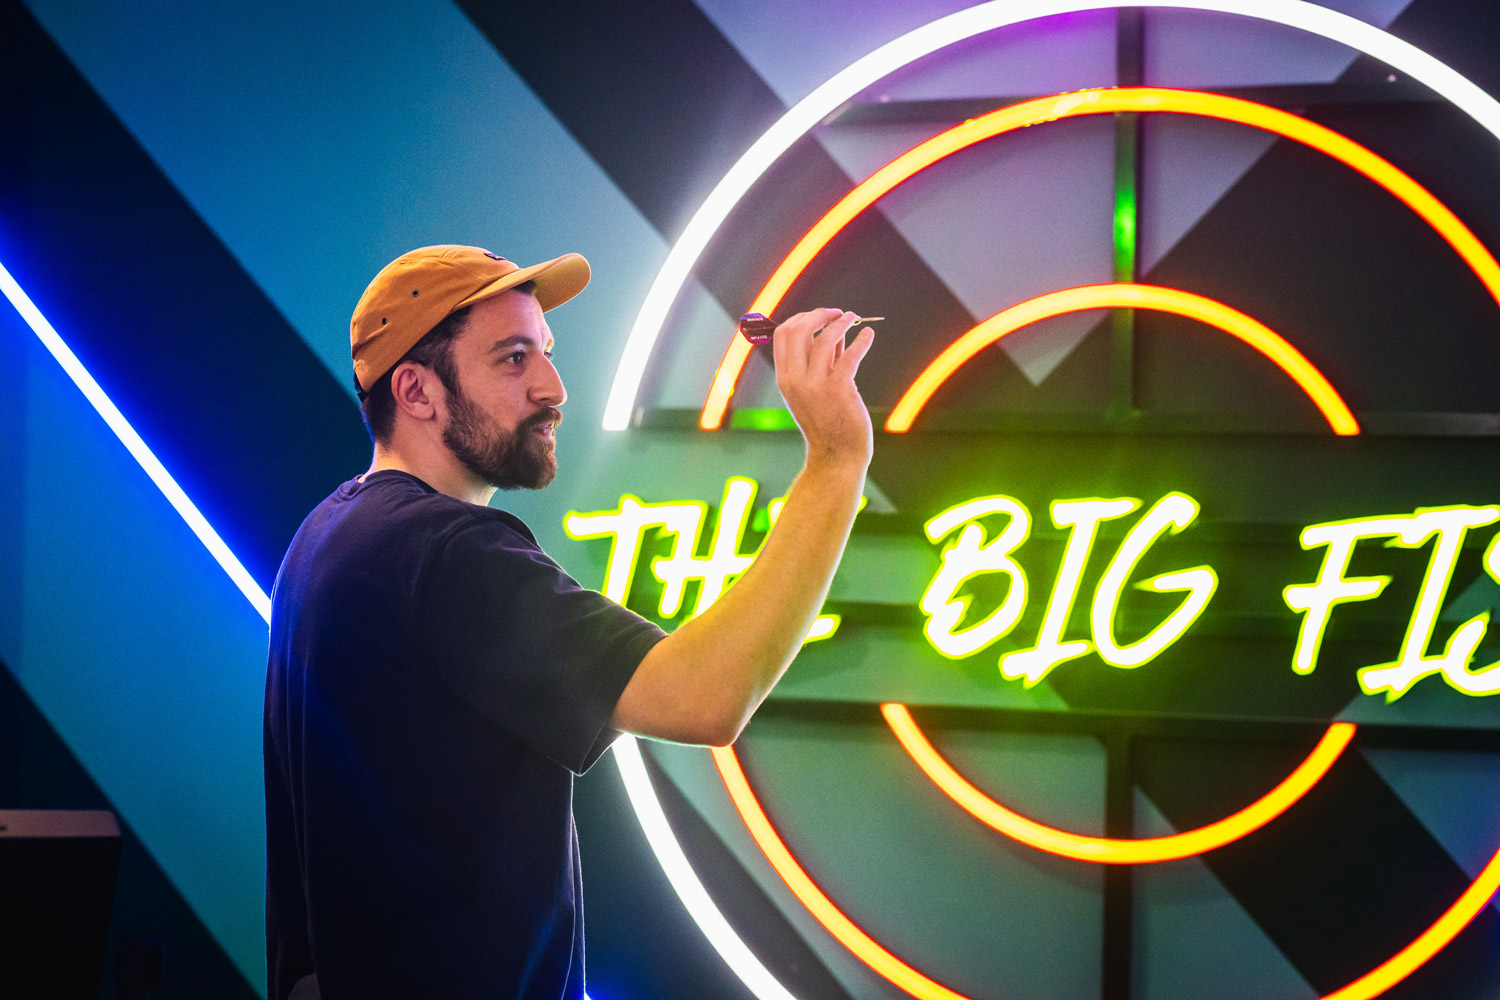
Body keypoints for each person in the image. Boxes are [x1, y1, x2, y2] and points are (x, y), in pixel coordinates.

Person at [264, 244, 874, 1000]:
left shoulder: (331, 532)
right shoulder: (447, 553)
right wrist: (838, 460)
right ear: (417, 391)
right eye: (513, 359)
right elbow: (704, 697)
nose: (553, 388)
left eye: (546, 353)